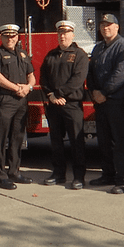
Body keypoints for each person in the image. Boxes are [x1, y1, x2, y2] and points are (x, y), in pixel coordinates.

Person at [87, 14, 124, 194]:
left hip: (116, 101)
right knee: (104, 139)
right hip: (100, 102)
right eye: (102, 25)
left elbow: (121, 74)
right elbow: (90, 72)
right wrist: (93, 92)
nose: (105, 28)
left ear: (117, 27)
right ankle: (107, 174)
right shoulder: (98, 48)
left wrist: (104, 92)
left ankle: (123, 180)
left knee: (120, 141)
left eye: (109, 25)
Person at [39, 21, 89, 190]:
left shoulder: (79, 54)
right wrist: (50, 95)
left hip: (72, 104)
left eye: (66, 33)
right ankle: (58, 173)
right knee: (56, 141)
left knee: (76, 141)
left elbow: (77, 79)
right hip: (54, 105)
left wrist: (58, 94)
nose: (62, 36)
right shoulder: (51, 55)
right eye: (60, 33)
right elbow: (43, 78)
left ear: (73, 34)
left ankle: (78, 177)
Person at [0, 24, 36, 190]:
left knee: (17, 137)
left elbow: (32, 76)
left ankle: (14, 171)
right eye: (7, 36)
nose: (10, 39)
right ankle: (0, 176)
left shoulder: (22, 54)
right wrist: (17, 88)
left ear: (17, 37)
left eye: (13, 36)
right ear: (1, 37)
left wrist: (28, 87)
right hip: (5, 101)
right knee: (1, 138)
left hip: (21, 101)